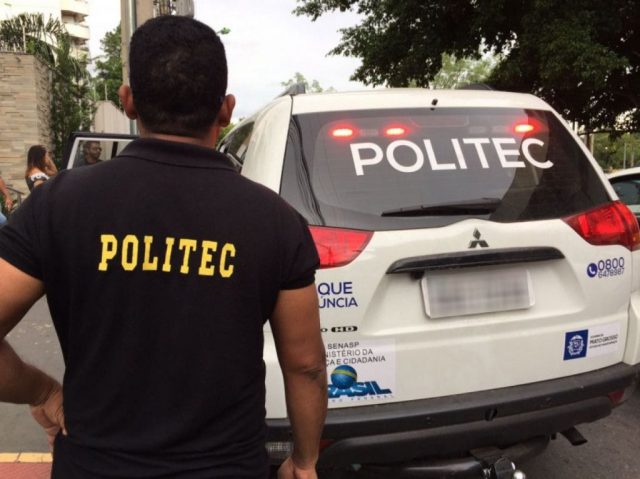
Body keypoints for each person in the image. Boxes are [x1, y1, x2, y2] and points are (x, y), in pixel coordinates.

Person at [0, 15, 327, 479]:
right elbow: (306, 366)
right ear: (226, 109)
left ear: (128, 101)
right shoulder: (274, 220)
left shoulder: (58, 204)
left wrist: (44, 393)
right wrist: (305, 461)